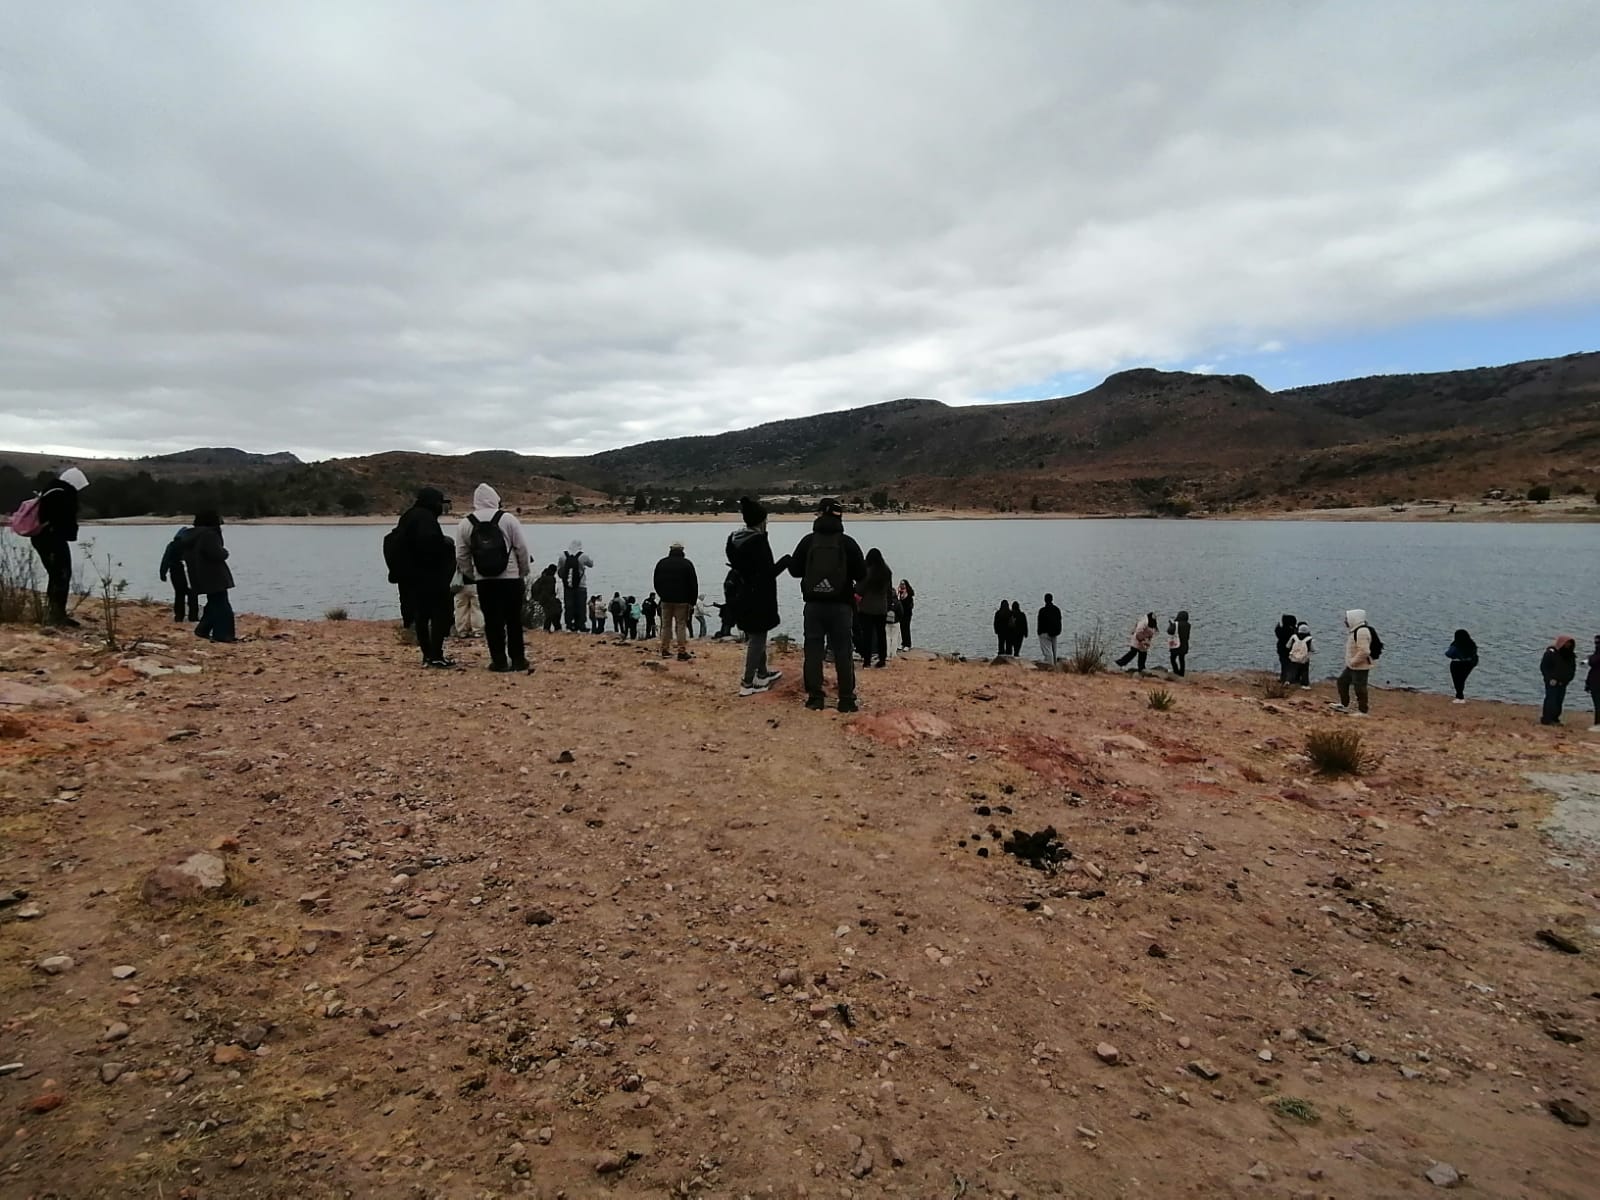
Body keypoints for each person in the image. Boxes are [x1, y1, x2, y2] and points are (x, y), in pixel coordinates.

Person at [787, 497, 866, 712]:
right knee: (843, 651)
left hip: (813, 606)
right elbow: (861, 574)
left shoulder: (808, 541)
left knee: (813, 651)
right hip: (841, 606)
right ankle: (847, 700)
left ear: (820, 514)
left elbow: (794, 571)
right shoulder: (847, 542)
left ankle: (815, 698)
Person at [454, 483, 531, 673]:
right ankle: (518, 660)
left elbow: (461, 555)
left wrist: (473, 574)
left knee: (492, 621)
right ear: (495, 498)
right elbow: (522, 548)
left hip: (485, 580)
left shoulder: (466, 523)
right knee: (513, 620)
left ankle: (499, 661)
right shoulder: (508, 519)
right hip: (511, 578)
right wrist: (522, 571)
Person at [726, 497, 790, 695]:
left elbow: (748, 568)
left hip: (742, 594)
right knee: (757, 639)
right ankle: (747, 682)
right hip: (759, 597)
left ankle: (762, 673)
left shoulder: (735, 540)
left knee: (757, 634)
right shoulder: (758, 543)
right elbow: (766, 573)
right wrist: (786, 561)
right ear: (760, 521)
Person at [391, 487, 456, 668]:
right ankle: (435, 654)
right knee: (439, 615)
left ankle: (428, 654)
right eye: (440, 503)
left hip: (411, 577)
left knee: (421, 616)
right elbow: (429, 547)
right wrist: (445, 547)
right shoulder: (426, 519)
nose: (441, 508)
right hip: (429, 577)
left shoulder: (409, 516)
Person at [26, 467, 88, 627]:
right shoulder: (61, 494)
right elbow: (63, 520)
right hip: (51, 539)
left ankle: (54, 613)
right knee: (61, 575)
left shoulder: (52, 490)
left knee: (57, 575)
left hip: (45, 538)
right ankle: (56, 615)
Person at [186, 509, 236, 643]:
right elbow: (218, 554)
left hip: (201, 575)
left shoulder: (192, 535)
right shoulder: (209, 535)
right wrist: (225, 552)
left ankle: (203, 629)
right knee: (222, 605)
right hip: (214, 575)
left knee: (214, 603)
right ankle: (223, 635)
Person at [652, 542, 699, 660]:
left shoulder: (662, 563)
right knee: (681, 625)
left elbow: (656, 582)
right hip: (682, 600)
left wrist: (661, 594)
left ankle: (664, 649)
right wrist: (692, 601)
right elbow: (693, 584)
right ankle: (681, 652)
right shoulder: (687, 564)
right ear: (682, 550)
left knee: (666, 625)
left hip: (666, 599)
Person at [1330, 608, 1379, 716]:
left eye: (1347, 619)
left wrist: (1353, 661)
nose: (1345, 621)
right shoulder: (1355, 630)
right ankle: (1344, 705)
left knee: (1360, 688)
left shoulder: (1361, 632)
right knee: (1342, 682)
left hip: (1360, 666)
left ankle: (1363, 711)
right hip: (1353, 666)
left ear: (1354, 619)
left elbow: (1365, 651)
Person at [856, 548, 894, 668]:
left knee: (867, 635)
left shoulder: (867, 572)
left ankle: (866, 660)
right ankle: (882, 659)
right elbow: (889, 591)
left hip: (867, 608)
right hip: (881, 608)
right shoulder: (887, 572)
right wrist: (888, 605)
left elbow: (860, 589)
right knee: (881, 634)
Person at [158, 526, 199, 623]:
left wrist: (162, 573)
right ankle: (193, 617)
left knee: (179, 594)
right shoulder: (192, 545)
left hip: (175, 572)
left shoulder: (172, 545)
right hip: (190, 572)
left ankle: (179, 617)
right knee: (192, 594)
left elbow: (165, 559)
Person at [1540, 635, 1578, 726]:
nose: (1568, 645)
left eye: (1570, 643)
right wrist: (1549, 679)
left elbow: (1572, 669)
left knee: (1559, 700)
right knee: (1551, 700)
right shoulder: (1551, 653)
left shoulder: (1570, 655)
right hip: (1552, 682)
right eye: (1566, 643)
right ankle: (1547, 719)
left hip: (1563, 682)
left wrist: (1568, 679)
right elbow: (1544, 667)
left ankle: (1555, 718)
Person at [559, 541, 593, 632]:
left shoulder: (563, 556)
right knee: (581, 606)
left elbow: (559, 571)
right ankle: (581, 625)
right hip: (581, 585)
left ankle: (569, 625)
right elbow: (591, 564)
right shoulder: (583, 556)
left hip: (567, 586)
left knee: (569, 606)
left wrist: (566, 579)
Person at [1446, 629, 1479, 704]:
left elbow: (1449, 654)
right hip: (1469, 664)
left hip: (1456, 663)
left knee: (1457, 681)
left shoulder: (1456, 644)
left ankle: (1459, 697)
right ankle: (1460, 697)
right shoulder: (1471, 644)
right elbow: (1474, 655)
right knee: (1462, 680)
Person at [529, 564, 561, 633]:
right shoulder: (550, 579)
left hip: (541, 598)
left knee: (550, 613)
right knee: (554, 612)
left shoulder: (543, 576)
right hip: (546, 599)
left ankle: (548, 628)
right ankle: (554, 628)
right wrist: (551, 598)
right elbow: (549, 591)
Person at [1287, 621, 1315, 688]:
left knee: (1292, 670)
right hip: (1304, 659)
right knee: (1304, 671)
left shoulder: (1294, 637)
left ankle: (1289, 681)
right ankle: (1304, 684)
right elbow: (1313, 649)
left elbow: (1288, 646)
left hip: (1293, 658)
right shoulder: (1309, 639)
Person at [452, 572, 480, 638]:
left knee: (460, 609)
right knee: (477, 609)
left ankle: (462, 631)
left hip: (460, 584)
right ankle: (477, 631)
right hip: (475, 584)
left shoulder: (460, 561)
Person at [1037, 593, 1062, 665]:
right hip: (1055, 632)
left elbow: (1040, 622)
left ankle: (1049, 666)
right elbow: (1059, 620)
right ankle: (1055, 665)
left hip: (1044, 633)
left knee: (1047, 652)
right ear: (1052, 599)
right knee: (1054, 651)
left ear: (1045, 600)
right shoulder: (1057, 609)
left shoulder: (1042, 610)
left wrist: (1039, 632)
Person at [1274, 614, 1298, 684]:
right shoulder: (1293, 631)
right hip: (1291, 650)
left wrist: (1277, 627)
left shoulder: (1282, 630)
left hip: (1282, 650)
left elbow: (1278, 633)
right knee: (1291, 665)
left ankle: (1283, 678)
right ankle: (1291, 679)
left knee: (1284, 665)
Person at [1168, 610, 1191, 677]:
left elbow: (1170, 631)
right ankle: (1182, 673)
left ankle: (1176, 672)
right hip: (1184, 645)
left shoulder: (1176, 624)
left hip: (1176, 645)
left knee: (1172, 659)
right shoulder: (1188, 625)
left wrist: (1171, 625)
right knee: (1182, 659)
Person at [1585, 635, 1600, 732]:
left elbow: (1593, 662)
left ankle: (1598, 724)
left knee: (1598, 704)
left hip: (1597, 683)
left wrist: (1590, 659)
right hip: (1595, 681)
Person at [897, 580, 916, 649]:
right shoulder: (899, 593)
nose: (901, 585)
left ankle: (908, 644)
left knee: (906, 628)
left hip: (907, 614)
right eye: (901, 584)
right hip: (901, 614)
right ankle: (903, 643)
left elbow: (909, 605)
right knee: (902, 628)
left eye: (903, 584)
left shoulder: (909, 594)